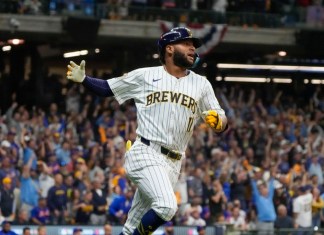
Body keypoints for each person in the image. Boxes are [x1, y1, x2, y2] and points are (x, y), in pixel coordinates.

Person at [66, 26, 228, 235]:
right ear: (169, 49)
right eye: (186, 44)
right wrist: (84, 80)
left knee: (132, 226)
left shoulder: (201, 84)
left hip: (174, 162)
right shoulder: (146, 76)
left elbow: (221, 118)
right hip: (146, 152)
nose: (192, 49)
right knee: (167, 206)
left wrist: (219, 122)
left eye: (193, 46)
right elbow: (108, 88)